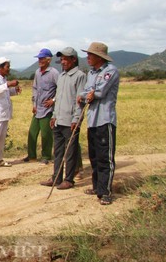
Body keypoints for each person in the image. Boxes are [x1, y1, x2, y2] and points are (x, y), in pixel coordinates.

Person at [77, 42, 119, 205]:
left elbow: (100, 92)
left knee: (105, 157)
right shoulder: (92, 73)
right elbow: (86, 93)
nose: (87, 57)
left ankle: (106, 191)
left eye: (90, 54)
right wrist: (88, 94)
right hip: (92, 120)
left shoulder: (110, 71)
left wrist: (90, 94)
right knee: (94, 156)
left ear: (99, 57)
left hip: (105, 119)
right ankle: (96, 187)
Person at [40, 47, 86, 189]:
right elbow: (58, 99)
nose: (63, 61)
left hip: (71, 121)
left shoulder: (79, 76)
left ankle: (69, 179)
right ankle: (56, 178)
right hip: (58, 120)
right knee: (58, 151)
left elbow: (80, 100)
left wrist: (76, 119)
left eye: (66, 59)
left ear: (73, 59)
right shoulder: (61, 76)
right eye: (62, 59)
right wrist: (54, 116)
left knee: (70, 152)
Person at [24, 48, 59, 165]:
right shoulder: (38, 72)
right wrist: (34, 104)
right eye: (39, 58)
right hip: (38, 108)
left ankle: (46, 156)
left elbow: (61, 89)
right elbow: (34, 88)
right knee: (32, 132)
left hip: (47, 109)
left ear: (48, 60)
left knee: (46, 134)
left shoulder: (54, 73)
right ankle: (31, 156)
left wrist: (53, 100)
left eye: (42, 58)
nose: (40, 61)